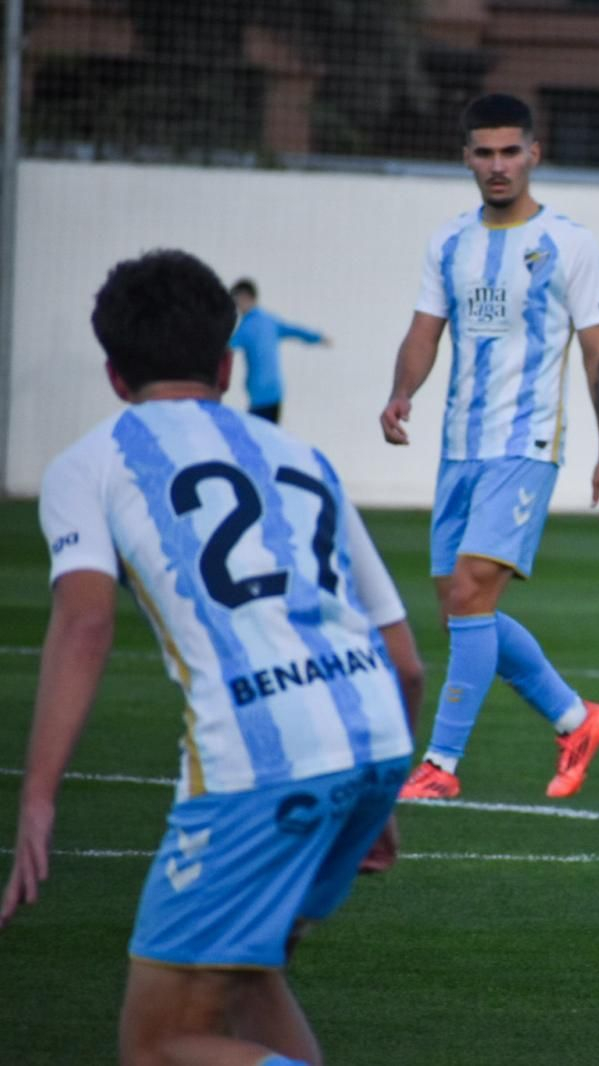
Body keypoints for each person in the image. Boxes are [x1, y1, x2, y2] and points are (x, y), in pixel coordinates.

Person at [1, 249, 426, 1066]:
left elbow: (84, 625)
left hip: (258, 766)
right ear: (228, 368)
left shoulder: (89, 464)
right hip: (373, 740)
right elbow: (405, 662)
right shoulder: (305, 458)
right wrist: (378, 798)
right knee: (247, 976)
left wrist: (38, 797)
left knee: (159, 1046)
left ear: (115, 376)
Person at [379, 92, 599, 802]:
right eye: (484, 153)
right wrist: (401, 393)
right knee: (462, 611)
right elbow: (424, 330)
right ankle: (576, 720)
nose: (498, 165)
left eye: (510, 151)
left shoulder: (569, 243)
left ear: (533, 155)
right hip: (460, 446)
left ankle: (440, 765)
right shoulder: (449, 242)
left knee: (469, 592)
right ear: (466, 158)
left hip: (527, 443)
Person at [229, 278, 331, 423]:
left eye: (237, 300)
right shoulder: (269, 320)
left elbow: (225, 347)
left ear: (246, 297)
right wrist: (317, 338)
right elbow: (296, 330)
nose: (237, 306)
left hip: (259, 395)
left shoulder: (248, 327)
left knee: (260, 431)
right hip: (275, 392)